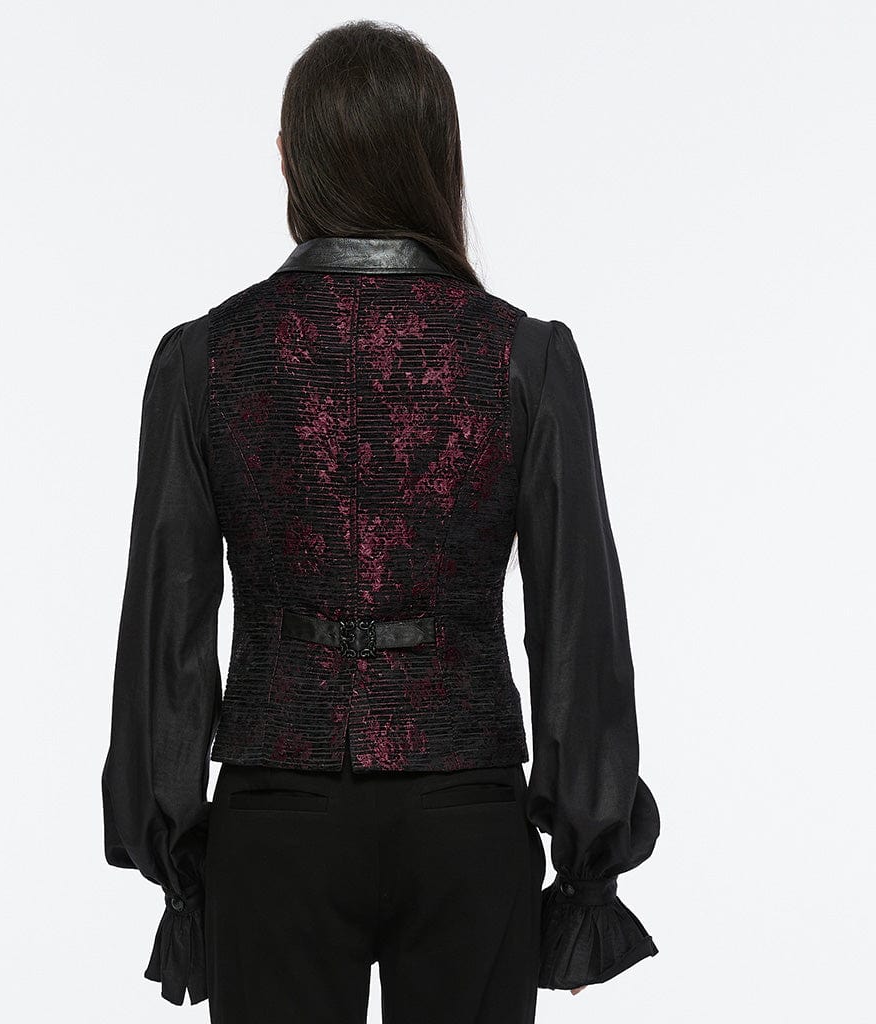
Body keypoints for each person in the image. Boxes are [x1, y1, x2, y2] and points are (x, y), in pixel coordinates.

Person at [100, 18, 661, 1023]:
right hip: (465, 816)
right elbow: (577, 625)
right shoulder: (524, 358)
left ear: (289, 157)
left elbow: (165, 633)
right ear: (442, 159)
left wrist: (176, 850)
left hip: (275, 820)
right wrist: (589, 856)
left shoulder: (204, 359)